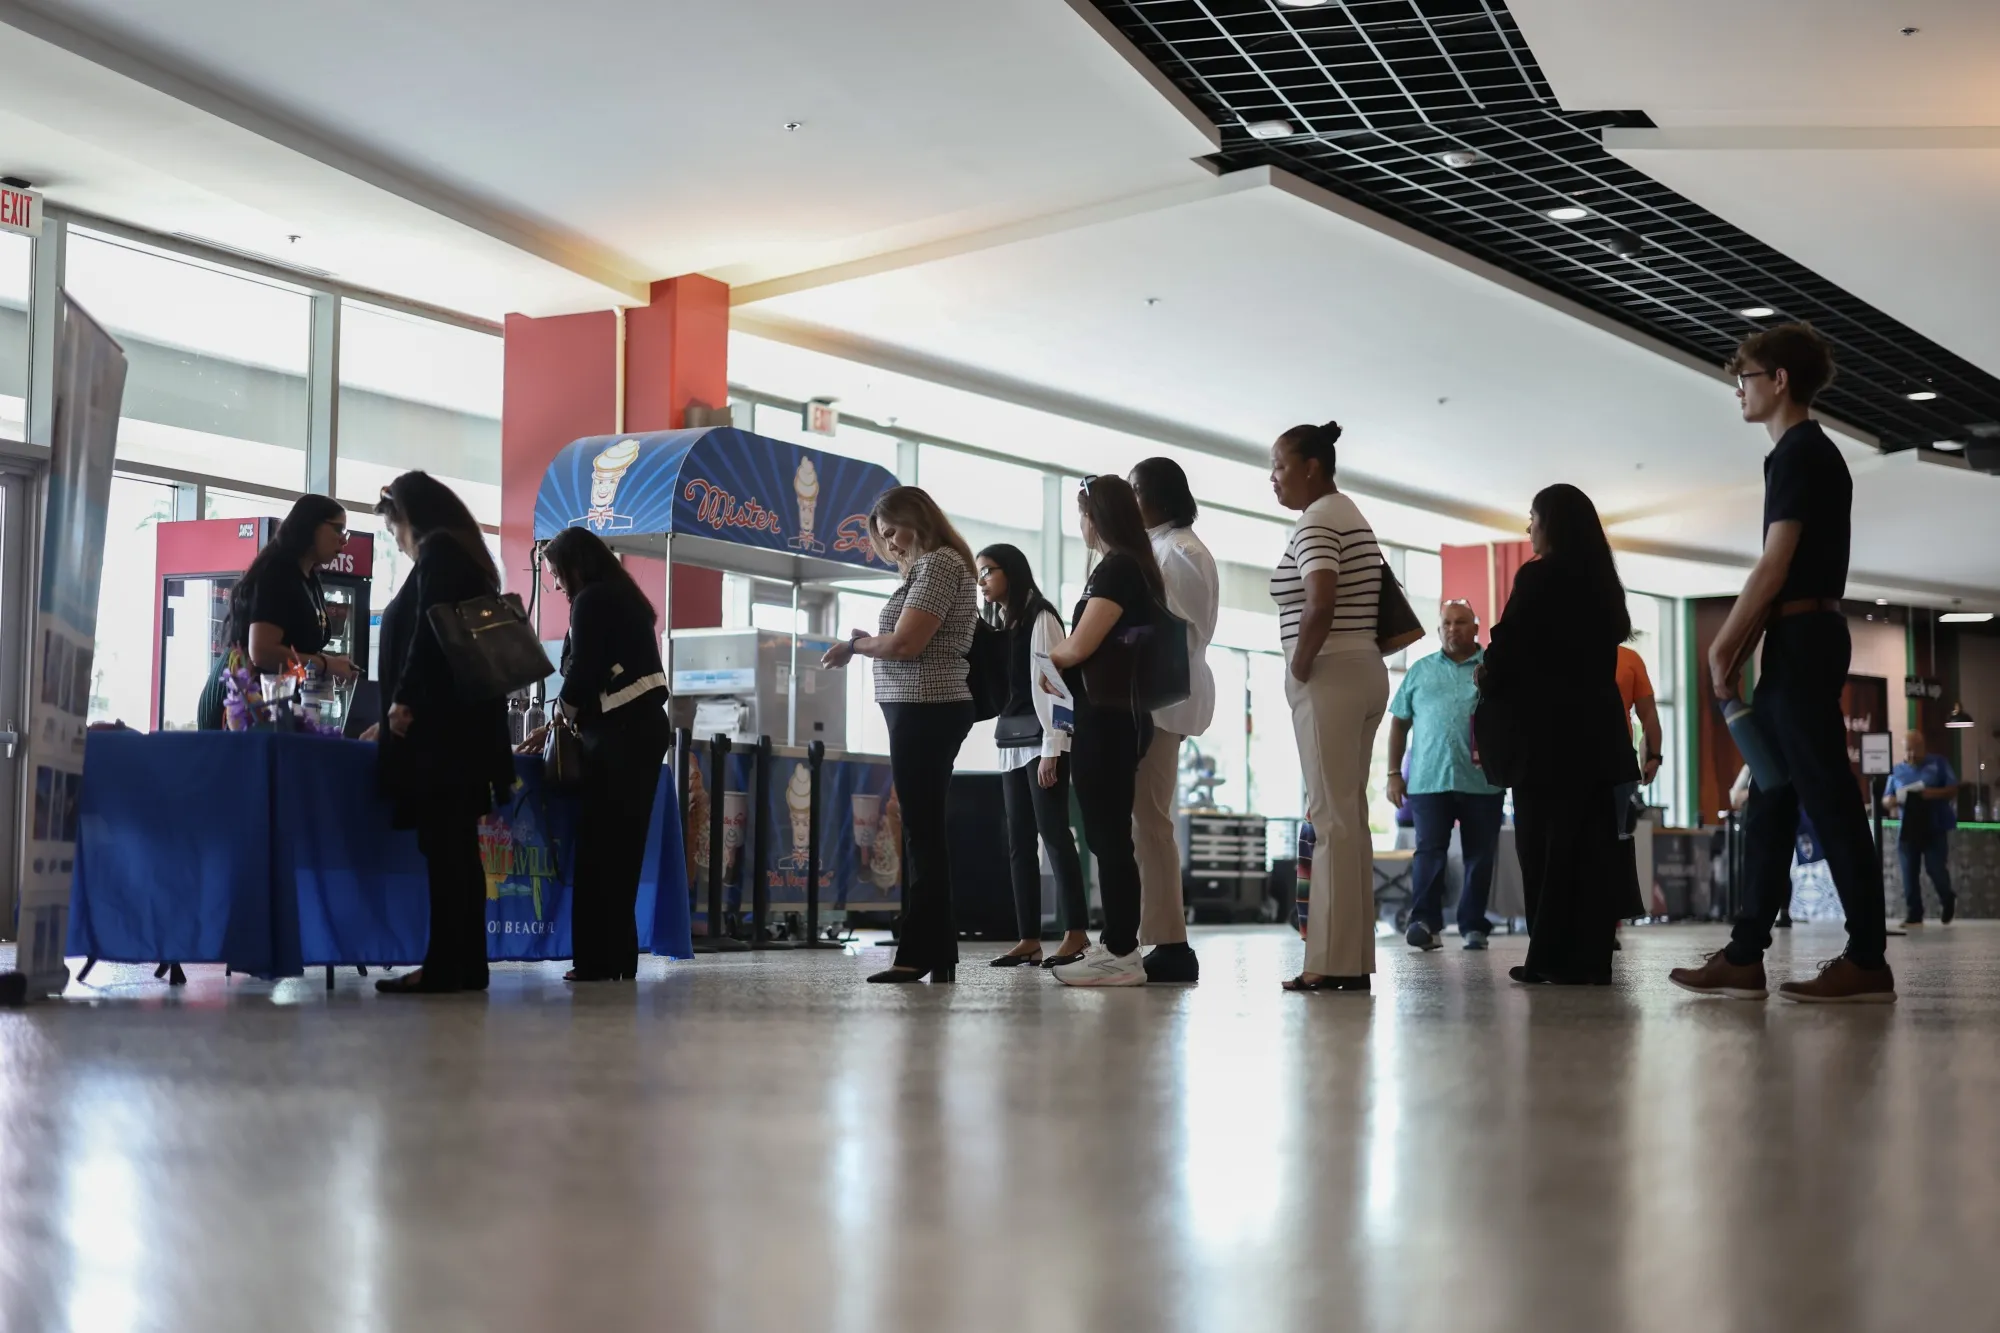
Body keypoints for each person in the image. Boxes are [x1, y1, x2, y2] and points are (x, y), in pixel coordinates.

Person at [1669, 323, 1895, 1002]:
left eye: (1746, 377)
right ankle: (1744, 952)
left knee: (1825, 794)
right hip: (1799, 639)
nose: (1740, 389)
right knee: (1771, 799)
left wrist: (1720, 645)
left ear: (1780, 381)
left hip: (1802, 641)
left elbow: (1776, 563)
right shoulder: (1805, 454)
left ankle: (1867, 956)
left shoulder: (1798, 453)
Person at [1481, 484, 1638, 986]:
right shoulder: (1603, 586)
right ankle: (1590, 959)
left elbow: (1507, 648)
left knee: (1542, 850)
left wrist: (1489, 675)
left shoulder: (1538, 576)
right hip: (1598, 738)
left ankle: (1547, 955)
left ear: (1552, 522)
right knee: (1588, 847)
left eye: (1532, 517)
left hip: (1546, 739)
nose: (1528, 528)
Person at [821, 487, 979, 984]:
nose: (889, 543)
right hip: (918, 708)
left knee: (922, 833)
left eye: (891, 531)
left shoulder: (940, 565)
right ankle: (938, 949)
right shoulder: (929, 569)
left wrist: (855, 645)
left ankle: (917, 951)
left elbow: (908, 643)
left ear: (916, 518)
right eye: (882, 537)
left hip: (927, 706)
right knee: (922, 830)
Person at [372, 473, 515, 995]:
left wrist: (403, 700)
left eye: (394, 530)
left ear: (411, 518)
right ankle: (462, 964)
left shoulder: (438, 555)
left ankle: (445, 965)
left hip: (442, 739)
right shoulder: (466, 556)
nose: (398, 541)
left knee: (447, 853)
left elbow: (428, 637)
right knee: (458, 853)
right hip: (467, 734)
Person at [1267, 421, 1388, 994]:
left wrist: (1298, 664)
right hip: (1364, 667)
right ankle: (1352, 958)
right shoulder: (1350, 513)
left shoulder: (1315, 520)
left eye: (1280, 466)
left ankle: (1328, 962)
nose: (1274, 478)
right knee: (1348, 818)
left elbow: (1320, 598)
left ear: (1312, 465)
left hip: (1330, 672)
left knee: (1330, 818)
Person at [529, 527, 671, 981]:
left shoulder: (591, 600)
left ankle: (593, 961)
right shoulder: (626, 596)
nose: (556, 584)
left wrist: (557, 716)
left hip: (617, 736)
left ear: (574, 565)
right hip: (644, 731)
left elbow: (584, 671)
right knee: (623, 853)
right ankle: (618, 960)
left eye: (556, 573)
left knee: (596, 852)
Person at [1045, 475, 1165, 987]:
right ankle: (1119, 946)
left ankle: (1120, 950)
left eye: (1082, 514)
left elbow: (1077, 648)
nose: (1080, 525)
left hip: (1109, 720)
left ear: (1098, 517)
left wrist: (1037, 658)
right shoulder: (1135, 568)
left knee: (1109, 836)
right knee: (1109, 834)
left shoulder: (1117, 570)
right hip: (1121, 717)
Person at [973, 543, 1090, 968]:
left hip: (1043, 741)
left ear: (1012, 571)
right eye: (979, 573)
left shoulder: (1041, 617)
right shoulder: (999, 623)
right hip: (1010, 742)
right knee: (1019, 843)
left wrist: (1053, 748)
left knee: (1055, 836)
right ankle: (1029, 938)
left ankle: (1076, 933)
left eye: (988, 571)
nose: (982, 580)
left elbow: (1056, 687)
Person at [1129, 457, 1218, 984]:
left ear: (1160, 497)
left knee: (1152, 821)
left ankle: (1169, 940)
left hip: (1164, 701)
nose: (1131, 501)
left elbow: (1171, 629)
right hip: (1154, 700)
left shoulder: (1180, 551)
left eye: (1136, 490)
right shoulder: (1162, 546)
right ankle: (1154, 934)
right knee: (1145, 822)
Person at [1385, 599, 1503, 953]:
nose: (1454, 629)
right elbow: (1399, 722)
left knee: (1479, 857)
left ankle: (1473, 925)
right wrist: (1393, 773)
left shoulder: (1493, 668)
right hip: (1428, 779)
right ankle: (1424, 923)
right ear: (1439, 630)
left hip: (1483, 780)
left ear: (1476, 628)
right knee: (1429, 853)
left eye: (1462, 622)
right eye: (1447, 623)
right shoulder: (1420, 671)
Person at [196, 493, 357, 729]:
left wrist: (329, 664)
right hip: (243, 702)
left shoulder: (309, 578)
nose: (344, 541)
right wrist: (325, 664)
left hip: (278, 700)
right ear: (311, 526)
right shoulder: (277, 574)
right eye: (338, 529)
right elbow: (261, 651)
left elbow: (296, 647)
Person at [1611, 644, 1665, 933]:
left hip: (1618, 764)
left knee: (1612, 842)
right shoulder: (1568, 648)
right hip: (1572, 763)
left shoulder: (1629, 659)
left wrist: (1654, 755)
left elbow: (1649, 713)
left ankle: (1609, 922)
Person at [1884, 729, 1959, 926]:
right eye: (1907, 750)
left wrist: (1927, 794)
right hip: (1908, 829)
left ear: (1924, 748)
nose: (1911, 755)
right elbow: (1885, 799)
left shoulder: (1939, 764)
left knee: (1935, 869)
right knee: (1909, 872)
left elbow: (1953, 789)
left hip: (1935, 826)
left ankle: (1947, 898)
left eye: (1915, 750)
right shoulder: (1897, 771)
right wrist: (1893, 800)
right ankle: (1914, 914)